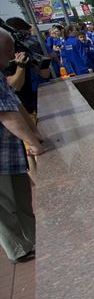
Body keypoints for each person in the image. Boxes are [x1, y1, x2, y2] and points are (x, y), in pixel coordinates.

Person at [0, 28, 47, 264]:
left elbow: (16, 104)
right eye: (7, 52)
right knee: (3, 205)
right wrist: (32, 143)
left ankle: (33, 238)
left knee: (21, 197)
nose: (11, 57)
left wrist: (34, 132)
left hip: (7, 151)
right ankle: (18, 249)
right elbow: (6, 114)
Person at [3, 18, 50, 115]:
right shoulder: (4, 56)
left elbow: (45, 74)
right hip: (21, 110)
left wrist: (40, 60)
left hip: (37, 99)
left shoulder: (25, 49)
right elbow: (15, 86)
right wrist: (21, 66)